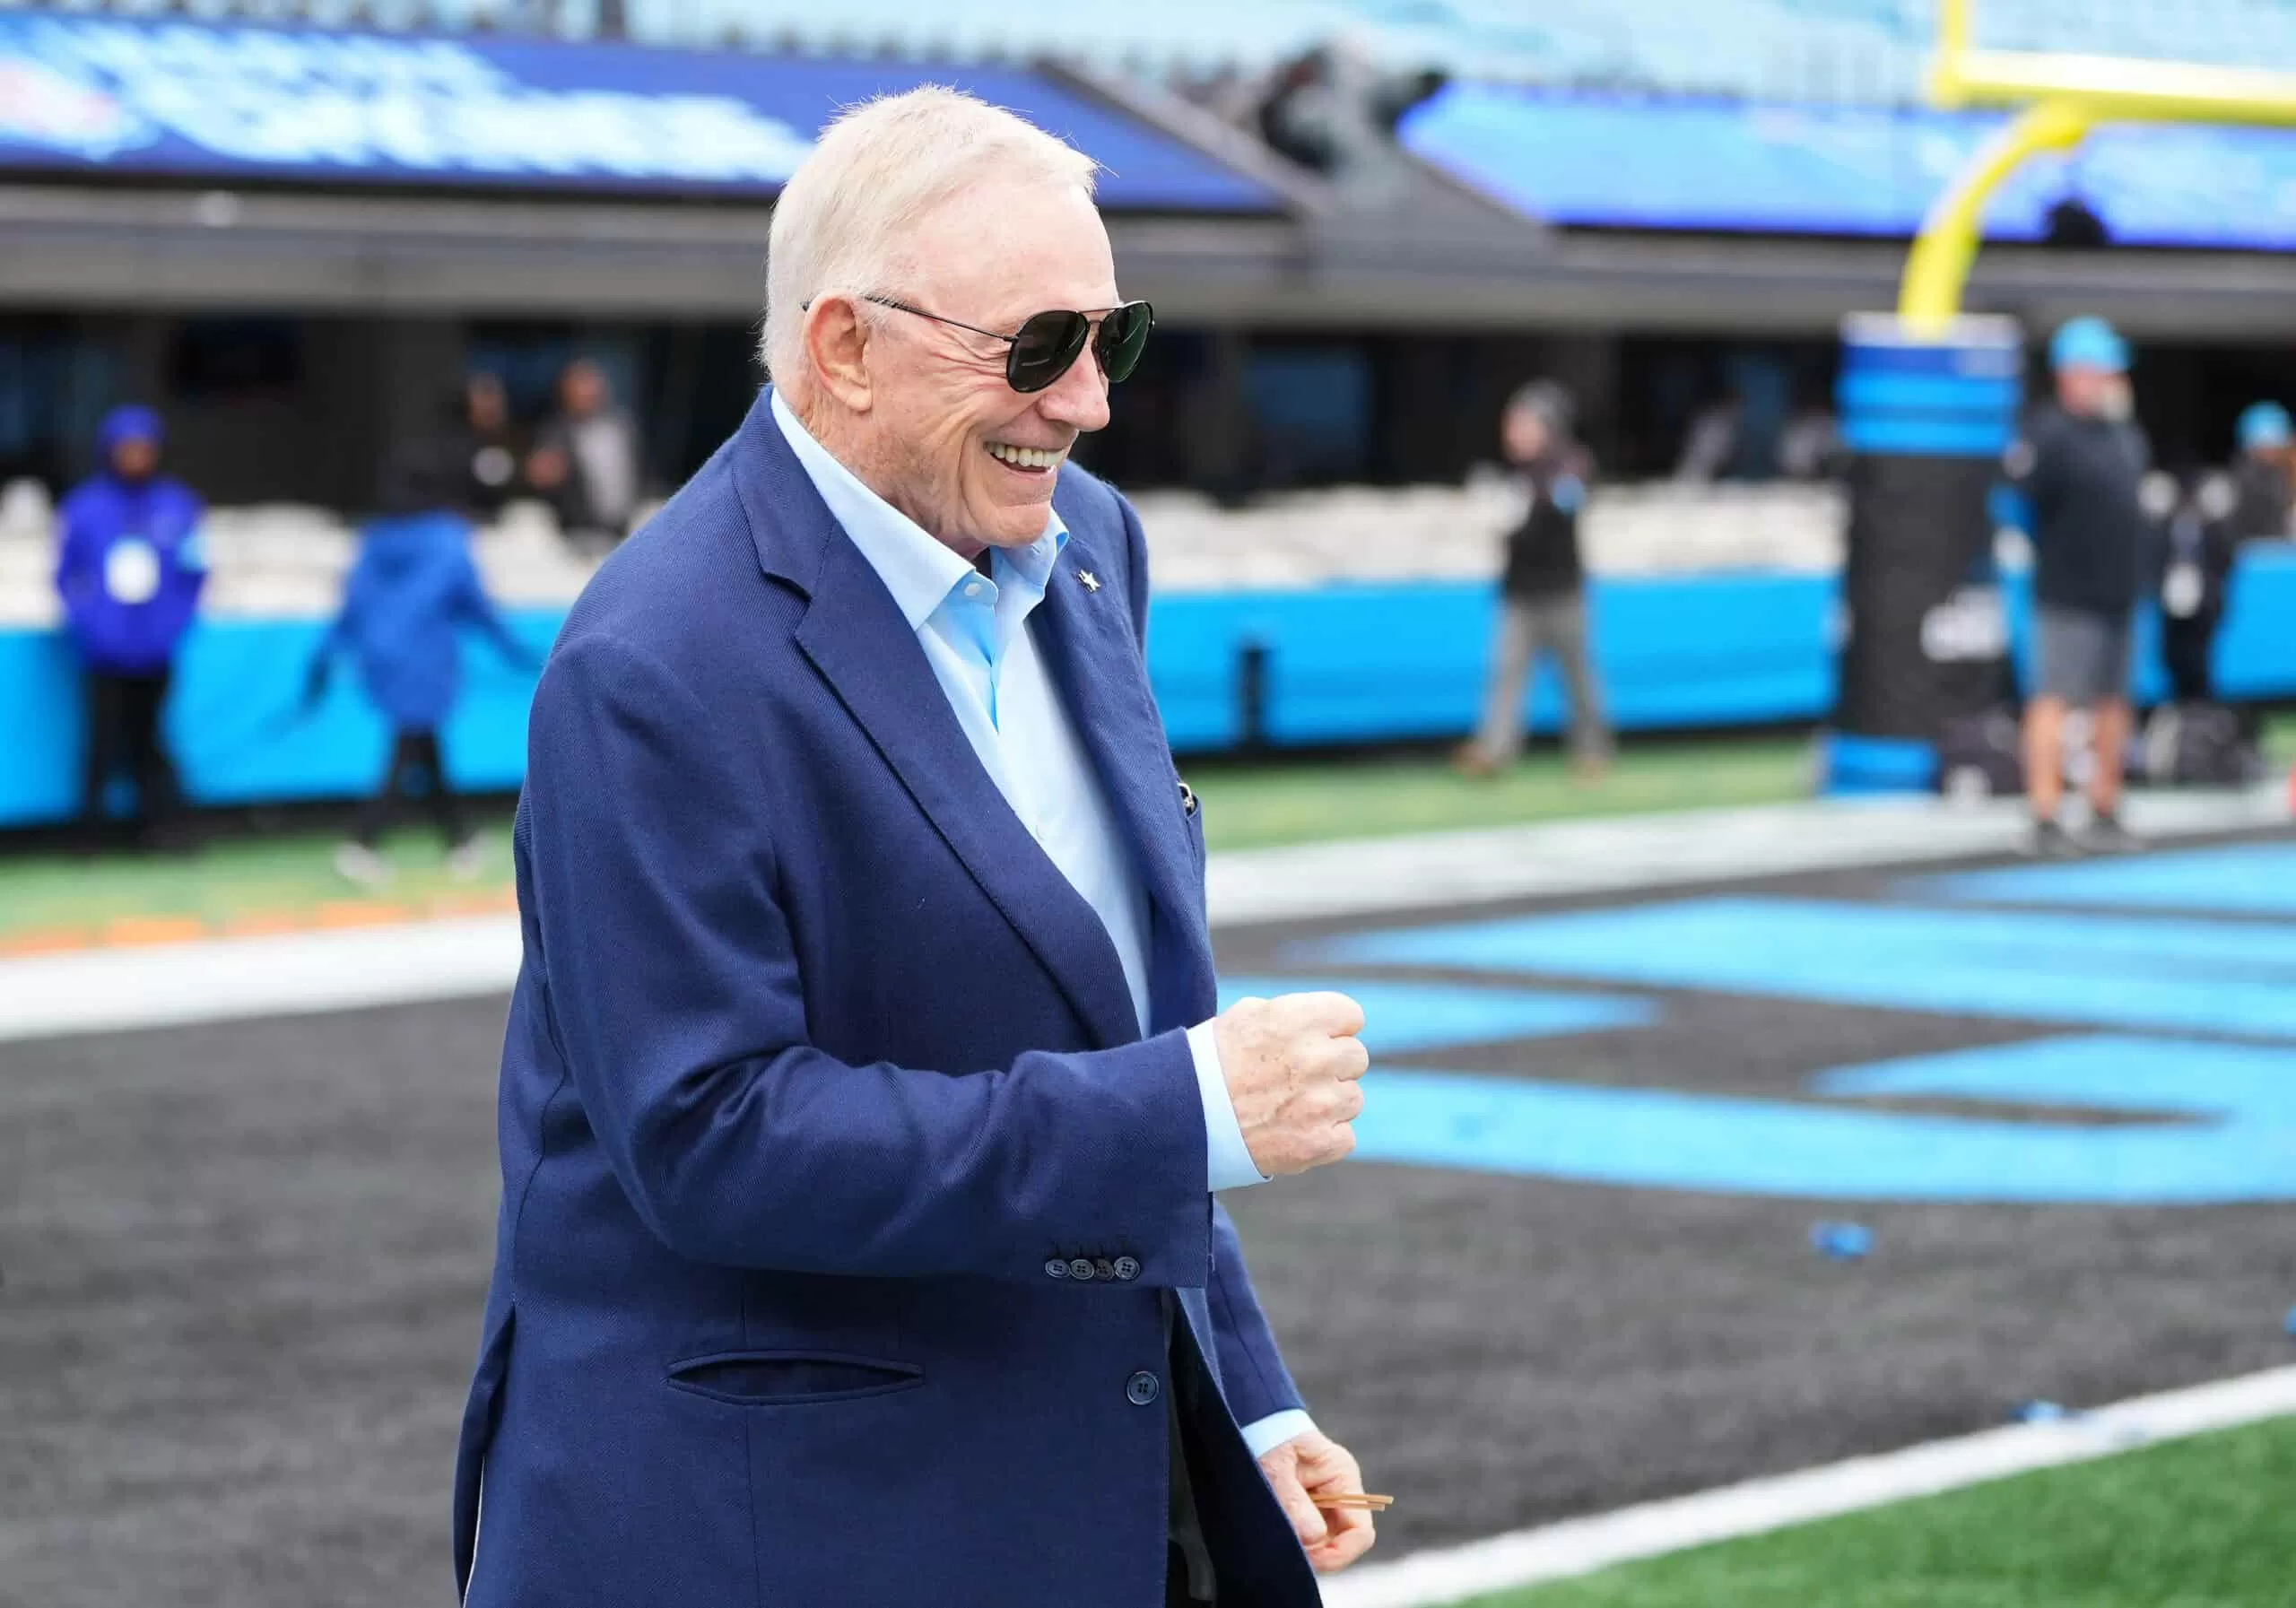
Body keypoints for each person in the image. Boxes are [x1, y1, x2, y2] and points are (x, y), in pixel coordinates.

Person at [454, 89, 1375, 1608]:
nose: (1087, 401)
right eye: (1038, 346)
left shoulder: (1090, 547)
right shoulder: (653, 662)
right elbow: (713, 1139)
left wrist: (1245, 1398)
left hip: (1056, 1491)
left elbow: (1106, 1018)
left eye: (1114, 338)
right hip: (773, 1535)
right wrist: (1186, 1109)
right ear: (843, 348)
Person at [308, 426, 535, 888]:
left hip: (379, 657)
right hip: (427, 657)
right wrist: (522, 654)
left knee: (423, 743)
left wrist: (322, 659)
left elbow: (351, 606)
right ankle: (363, 841)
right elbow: (476, 606)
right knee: (409, 743)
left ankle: (460, 838)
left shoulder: (374, 539)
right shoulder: (448, 540)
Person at [2006, 317, 2151, 856]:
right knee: (2053, 700)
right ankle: (2045, 816)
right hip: (2066, 593)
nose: (2111, 379)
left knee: (2114, 703)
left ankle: (2104, 808)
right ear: (2072, 373)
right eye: (2101, 369)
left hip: (2119, 590)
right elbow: (2020, 505)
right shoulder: (2048, 434)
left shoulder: (2123, 435)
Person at [52, 404, 205, 849]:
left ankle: (160, 829)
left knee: (151, 737)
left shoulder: (179, 505)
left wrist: (171, 626)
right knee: (101, 739)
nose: (136, 457)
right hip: (103, 649)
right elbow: (65, 576)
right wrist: (91, 623)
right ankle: (90, 834)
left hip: (156, 647)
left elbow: (194, 573)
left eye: (144, 448)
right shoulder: (84, 507)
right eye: (127, 449)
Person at [1459, 380, 1611, 777]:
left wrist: (1526, 507)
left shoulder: (1572, 465)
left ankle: (1591, 752)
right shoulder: (1513, 476)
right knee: (1507, 675)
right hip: (1520, 594)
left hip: (1562, 592)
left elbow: (1563, 506)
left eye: (1522, 425)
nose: (1513, 433)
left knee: (1577, 677)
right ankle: (1494, 751)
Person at [525, 357, 641, 544]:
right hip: (577, 535)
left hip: (626, 530)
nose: (587, 392)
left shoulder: (622, 426)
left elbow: (641, 472)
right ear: (565, 392)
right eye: (579, 386)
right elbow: (538, 477)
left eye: (590, 384)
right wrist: (542, 474)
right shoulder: (554, 433)